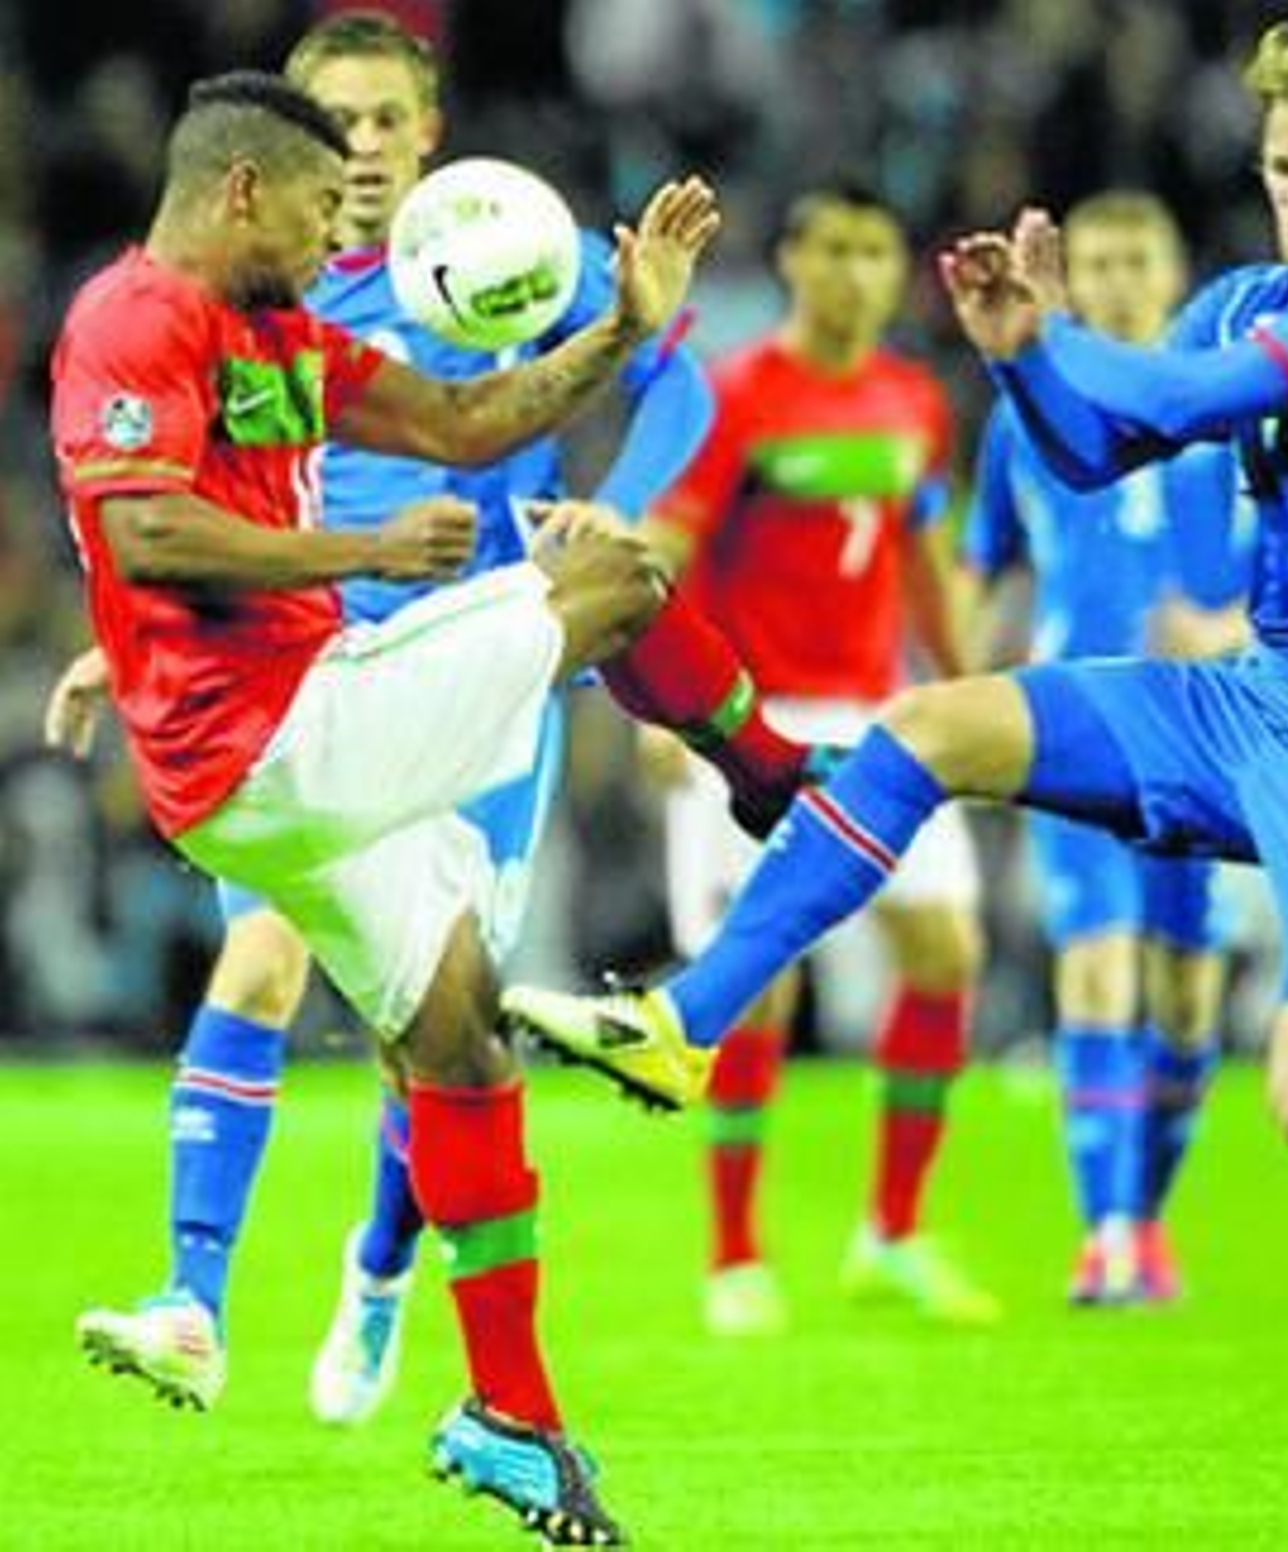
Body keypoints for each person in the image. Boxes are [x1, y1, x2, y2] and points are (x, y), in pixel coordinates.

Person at [503, 24, 1288, 1541]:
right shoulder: (1250, 291)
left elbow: (1200, 397)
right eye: (1281, 166)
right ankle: (684, 1026)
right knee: (929, 728)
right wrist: (1027, 356)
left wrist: (1054, 344)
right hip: (1249, 701)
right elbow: (1096, 451)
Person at [48, 64, 782, 1546]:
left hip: (278, 771)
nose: (342, 238)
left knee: (461, 1048)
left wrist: (623, 330)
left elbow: (463, 418)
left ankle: (511, 1417)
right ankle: (796, 791)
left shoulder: (274, 333)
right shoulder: (135, 319)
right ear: (242, 190)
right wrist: (363, 547)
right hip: (281, 735)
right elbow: (147, 533)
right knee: (620, 582)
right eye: (323, 208)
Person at [639, 182, 994, 1336]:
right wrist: (657, 705)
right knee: (758, 988)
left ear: (899, 268)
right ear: (791, 259)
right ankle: (732, 1253)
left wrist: (971, 679)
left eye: (874, 249)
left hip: (887, 717)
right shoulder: (737, 395)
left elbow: (926, 554)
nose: (852, 272)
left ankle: (892, 1229)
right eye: (831, 247)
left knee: (944, 953)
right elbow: (665, 551)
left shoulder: (911, 399)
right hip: (749, 718)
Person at [964, 190, 1253, 1305]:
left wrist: (1227, 630)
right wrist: (958, 708)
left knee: (1185, 1000)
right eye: (1101, 261)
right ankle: (1109, 1234)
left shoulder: (1230, 413)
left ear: (1176, 272)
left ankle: (1145, 1213)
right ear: (1069, 277)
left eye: (1142, 256)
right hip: (1074, 726)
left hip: (1212, 733)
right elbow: (989, 564)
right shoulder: (1027, 410)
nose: (1122, 278)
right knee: (1094, 964)